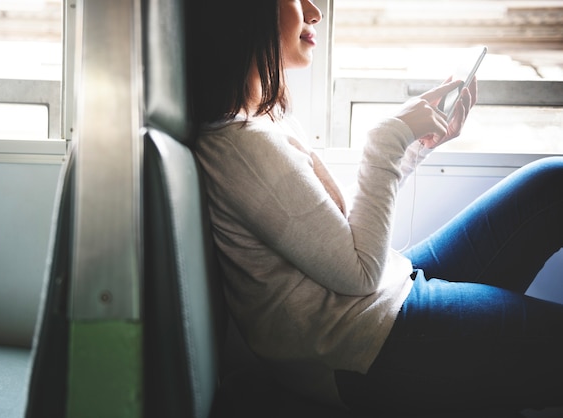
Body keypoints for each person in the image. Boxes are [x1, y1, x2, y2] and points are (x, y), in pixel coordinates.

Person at [189, 0, 563, 415]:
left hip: (382, 294)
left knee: (551, 183)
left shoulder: (262, 120)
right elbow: (359, 273)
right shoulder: (242, 145)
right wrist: (386, 138)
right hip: (359, 342)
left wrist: (413, 146)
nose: (314, 12)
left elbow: (329, 227)